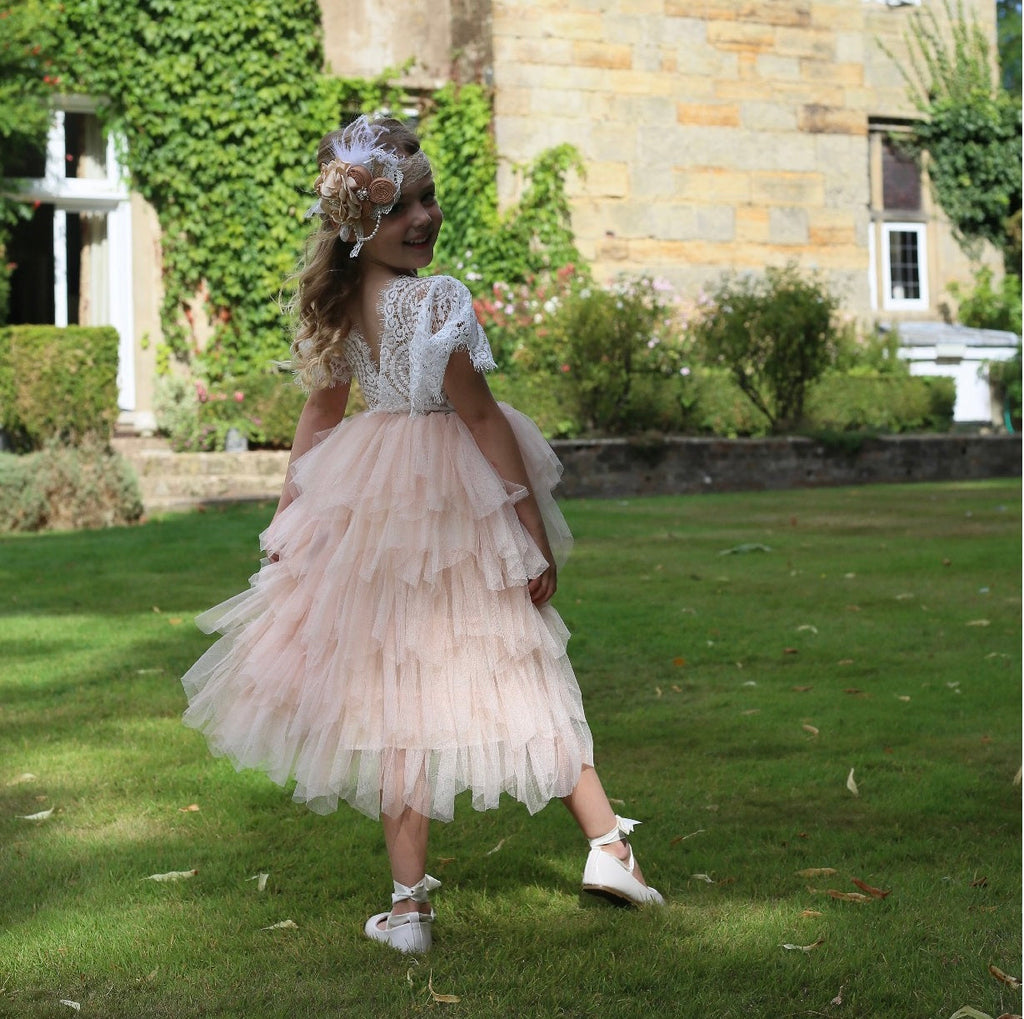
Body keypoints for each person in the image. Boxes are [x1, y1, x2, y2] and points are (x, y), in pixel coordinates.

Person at [180, 115, 663, 954]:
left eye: (430, 198)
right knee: (519, 668)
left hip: (376, 497)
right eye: (403, 207)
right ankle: (608, 849)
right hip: (450, 499)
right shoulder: (432, 298)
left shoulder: (344, 300)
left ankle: (409, 910)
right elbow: (477, 414)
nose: (425, 218)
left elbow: (321, 420)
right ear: (359, 223)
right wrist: (526, 526)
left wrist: (292, 509)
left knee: (393, 697)